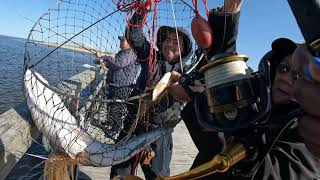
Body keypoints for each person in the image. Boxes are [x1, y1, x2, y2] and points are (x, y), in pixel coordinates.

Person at [167, 0, 320, 179]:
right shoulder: (254, 100)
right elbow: (229, 76)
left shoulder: (308, 134)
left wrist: (197, 97)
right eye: (284, 68)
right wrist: (228, 18)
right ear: (272, 70)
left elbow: (274, 172)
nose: (287, 79)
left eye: (298, 76)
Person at [110, 9, 193, 180]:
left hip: (160, 134)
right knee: (119, 173)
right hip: (131, 126)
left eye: (176, 42)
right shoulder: (150, 56)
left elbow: (188, 95)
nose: (170, 44)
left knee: (158, 177)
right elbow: (134, 35)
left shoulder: (189, 72)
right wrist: (141, 10)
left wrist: (178, 84)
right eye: (167, 40)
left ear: (184, 49)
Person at [92, 36, 141, 140]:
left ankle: (115, 129)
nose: (120, 42)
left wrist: (105, 57)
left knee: (117, 108)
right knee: (110, 105)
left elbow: (119, 63)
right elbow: (114, 66)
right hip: (114, 84)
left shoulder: (129, 52)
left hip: (122, 86)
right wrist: (104, 62)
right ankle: (109, 122)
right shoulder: (121, 52)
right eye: (120, 40)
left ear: (129, 42)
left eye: (123, 40)